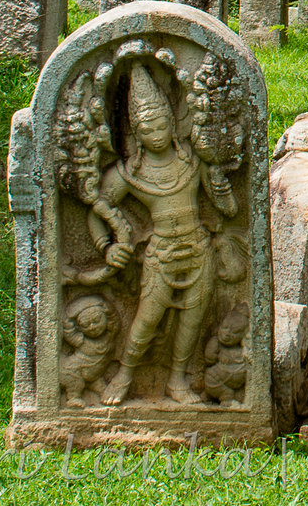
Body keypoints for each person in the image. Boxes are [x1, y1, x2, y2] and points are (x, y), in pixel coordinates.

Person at [90, 63, 239, 405]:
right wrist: (106, 245)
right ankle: (125, 375)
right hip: (161, 254)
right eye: (146, 129)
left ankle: (177, 381)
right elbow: (96, 208)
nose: (155, 133)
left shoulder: (193, 161)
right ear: (135, 134)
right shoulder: (129, 173)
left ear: (172, 123)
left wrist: (219, 189)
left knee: (191, 322)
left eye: (160, 125)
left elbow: (230, 211)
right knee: (146, 320)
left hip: (198, 249)